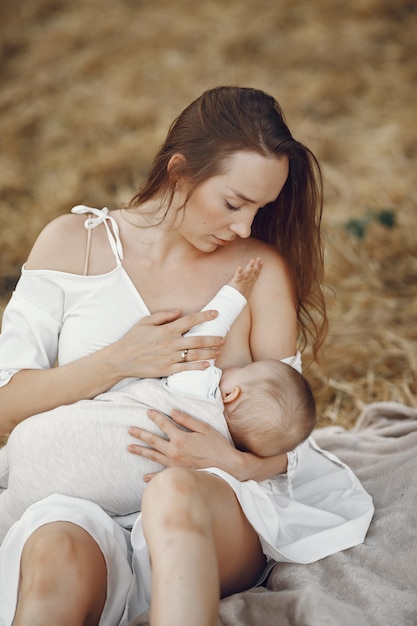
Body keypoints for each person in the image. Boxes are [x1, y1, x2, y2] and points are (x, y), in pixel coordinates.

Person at [0, 86, 373, 626]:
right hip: (77, 496)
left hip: (212, 496)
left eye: (259, 209)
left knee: (173, 495)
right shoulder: (70, 245)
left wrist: (232, 461)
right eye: (233, 203)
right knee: (55, 553)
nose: (245, 228)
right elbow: (6, 405)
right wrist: (119, 360)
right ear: (179, 172)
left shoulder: (258, 271)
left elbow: (287, 439)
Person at [0, 257, 316, 543]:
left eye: (245, 371)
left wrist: (236, 290)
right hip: (50, 497)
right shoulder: (207, 466)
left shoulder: (200, 389)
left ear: (232, 394)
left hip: (38, 438)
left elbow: (210, 330)